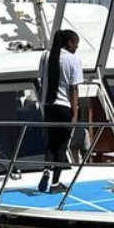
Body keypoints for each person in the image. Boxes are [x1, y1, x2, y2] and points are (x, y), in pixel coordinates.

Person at [38, 29, 82, 193]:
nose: (77, 47)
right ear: (70, 43)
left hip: (48, 106)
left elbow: (42, 80)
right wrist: (75, 114)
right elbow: (74, 89)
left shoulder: (45, 57)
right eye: (76, 44)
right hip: (64, 107)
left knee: (50, 144)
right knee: (61, 147)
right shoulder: (73, 60)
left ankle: (46, 171)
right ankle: (55, 183)